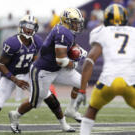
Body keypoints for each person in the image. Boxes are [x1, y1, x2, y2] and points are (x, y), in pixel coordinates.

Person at [7, 8, 87, 133]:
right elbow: (62, 60)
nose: (77, 25)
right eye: (75, 22)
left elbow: (69, 48)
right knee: (35, 103)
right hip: (43, 71)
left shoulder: (66, 30)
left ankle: (71, 110)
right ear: (67, 21)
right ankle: (15, 115)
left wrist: (79, 51)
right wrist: (75, 63)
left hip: (57, 69)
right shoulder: (63, 33)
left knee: (82, 83)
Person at [0, 15, 43, 134]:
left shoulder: (37, 41)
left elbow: (35, 60)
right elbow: (0, 65)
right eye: (27, 26)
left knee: (39, 96)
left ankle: (15, 116)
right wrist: (15, 80)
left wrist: (35, 73)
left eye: (32, 27)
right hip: (9, 75)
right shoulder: (12, 42)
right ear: (21, 27)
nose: (29, 29)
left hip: (26, 73)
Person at [79, 4, 135, 135]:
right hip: (130, 82)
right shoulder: (133, 33)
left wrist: (81, 89)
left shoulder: (101, 31)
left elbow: (89, 60)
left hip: (108, 81)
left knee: (92, 109)